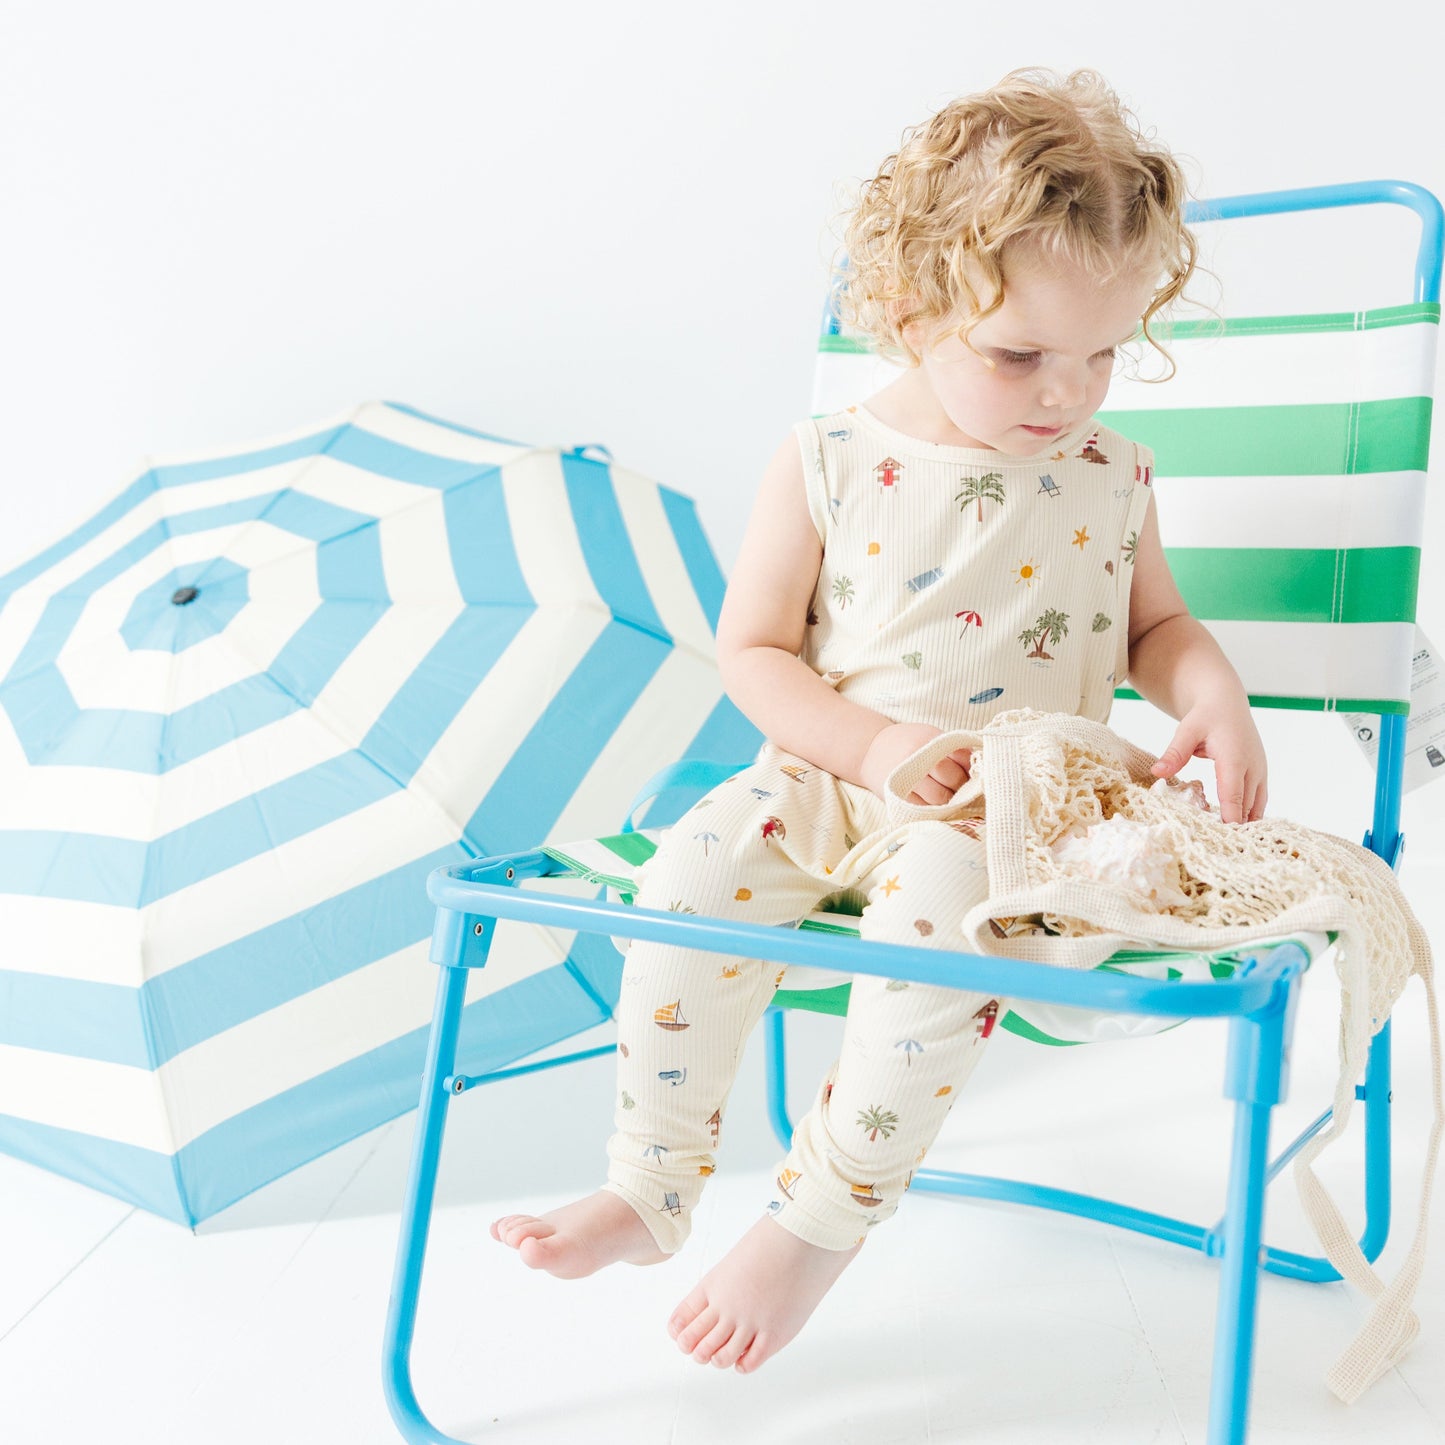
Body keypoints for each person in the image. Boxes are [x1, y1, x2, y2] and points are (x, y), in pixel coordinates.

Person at [492, 66, 1268, 1375]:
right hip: (829, 771)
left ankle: (819, 1220)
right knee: (688, 880)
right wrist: (876, 749)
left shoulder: (1111, 474)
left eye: (1102, 354)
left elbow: (1157, 630)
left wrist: (1213, 695)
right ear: (911, 312)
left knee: (937, 934)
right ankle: (649, 1182)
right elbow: (750, 650)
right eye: (1020, 354)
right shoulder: (826, 460)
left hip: (1004, 805)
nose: (1068, 393)